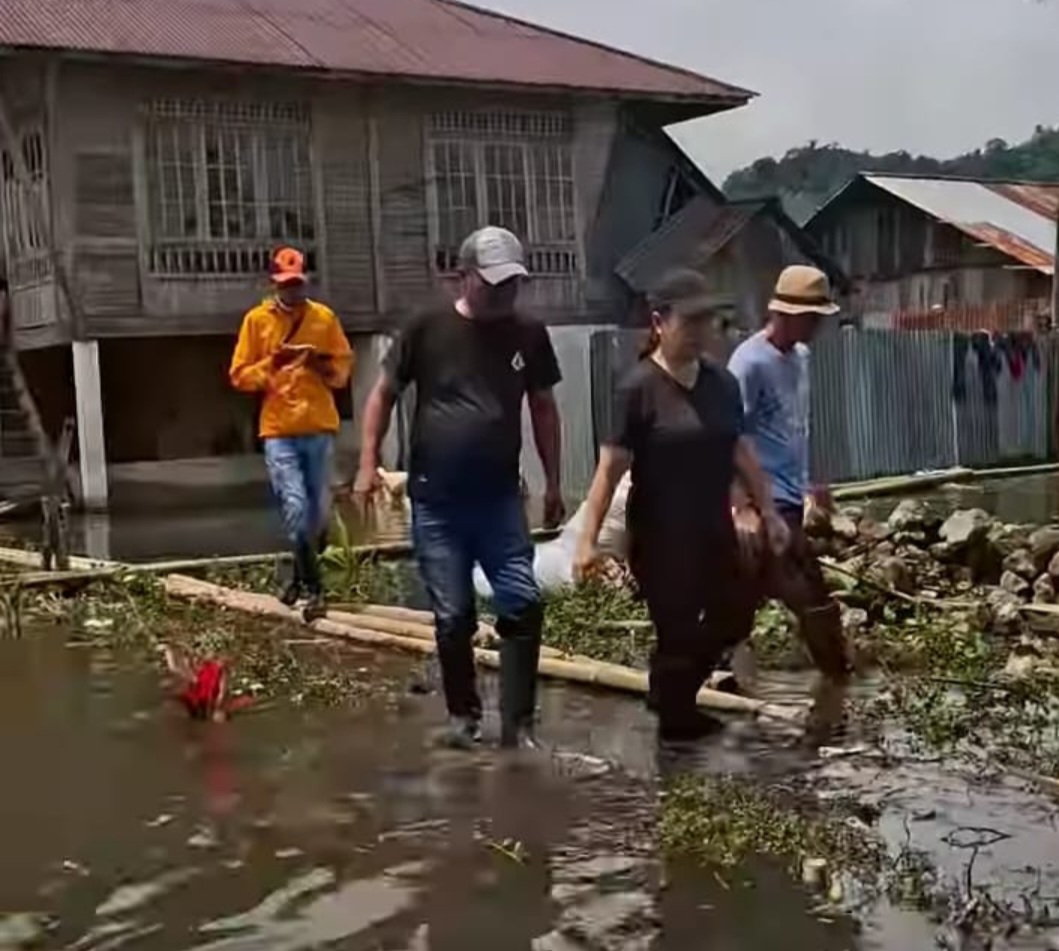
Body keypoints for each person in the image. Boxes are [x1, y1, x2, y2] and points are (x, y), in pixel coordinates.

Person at [354, 226, 564, 750]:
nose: (504, 293)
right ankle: (463, 718)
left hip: (500, 499)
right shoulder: (427, 328)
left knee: (522, 603)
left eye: (512, 284)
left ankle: (519, 725)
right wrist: (367, 464)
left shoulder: (529, 333)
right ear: (464, 277)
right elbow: (383, 395)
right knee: (452, 617)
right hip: (438, 502)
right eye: (494, 284)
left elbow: (543, 408)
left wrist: (554, 483)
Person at [573, 269, 788, 743]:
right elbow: (608, 471)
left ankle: (669, 695)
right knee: (677, 630)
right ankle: (674, 733)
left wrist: (767, 511)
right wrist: (587, 543)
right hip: (660, 537)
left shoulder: (721, 384)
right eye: (688, 321)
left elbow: (740, 453)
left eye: (705, 321)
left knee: (735, 615)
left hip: (713, 527)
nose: (699, 331)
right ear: (659, 322)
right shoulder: (638, 389)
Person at [726, 265, 852, 713]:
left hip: (789, 498)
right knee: (809, 593)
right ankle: (838, 689)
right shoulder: (748, 363)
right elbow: (729, 437)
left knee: (742, 599)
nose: (817, 325)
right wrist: (742, 506)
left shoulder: (800, 357)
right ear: (786, 313)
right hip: (763, 504)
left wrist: (814, 481)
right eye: (811, 317)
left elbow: (797, 425)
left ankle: (714, 685)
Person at [230, 247, 353, 622]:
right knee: (296, 509)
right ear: (273, 284)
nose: (292, 290)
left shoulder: (323, 318)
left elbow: (342, 372)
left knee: (319, 516)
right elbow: (239, 376)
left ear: (306, 281)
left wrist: (318, 364)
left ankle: (297, 579)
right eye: (286, 285)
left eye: (297, 284)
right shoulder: (256, 321)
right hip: (279, 430)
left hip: (318, 426)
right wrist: (273, 363)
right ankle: (315, 590)